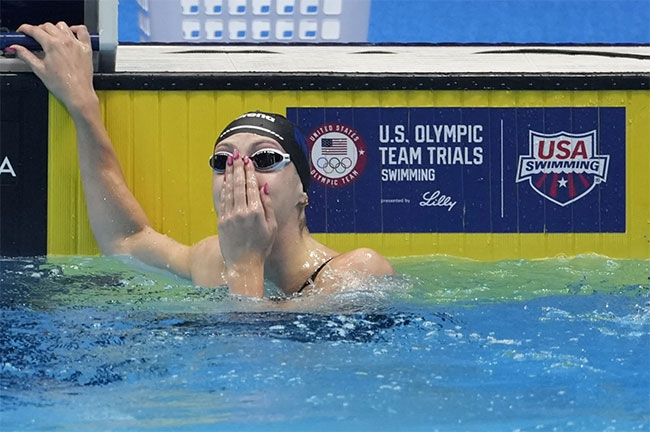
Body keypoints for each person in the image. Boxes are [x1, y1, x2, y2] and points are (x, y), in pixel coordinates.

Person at [9, 22, 395, 298]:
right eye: (223, 162)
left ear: (303, 192)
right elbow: (125, 240)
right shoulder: (213, 259)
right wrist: (81, 104)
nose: (240, 174)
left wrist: (245, 264)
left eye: (264, 158)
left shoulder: (356, 274)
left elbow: (257, 374)